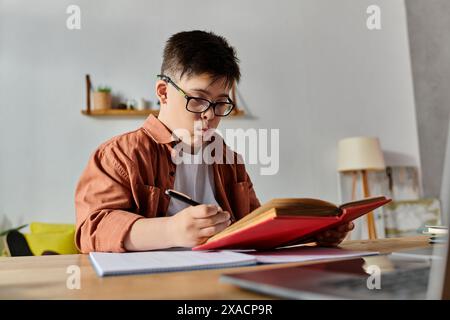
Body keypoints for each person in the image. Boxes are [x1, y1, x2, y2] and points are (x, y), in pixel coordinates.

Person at [75, 30, 353, 253]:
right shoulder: (118, 155)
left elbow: (257, 229)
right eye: (198, 99)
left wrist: (314, 235)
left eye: (221, 103)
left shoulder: (228, 160)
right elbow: (91, 229)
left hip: (226, 282)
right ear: (163, 92)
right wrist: (170, 231)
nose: (210, 114)